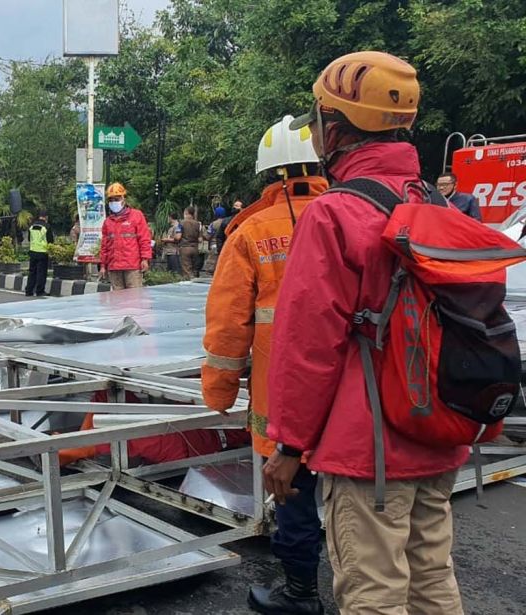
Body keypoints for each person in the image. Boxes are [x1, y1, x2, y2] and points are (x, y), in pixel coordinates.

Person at [266, 51, 466, 615]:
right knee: (432, 581)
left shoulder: (334, 214)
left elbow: (308, 349)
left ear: (334, 129)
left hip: (370, 447)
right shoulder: (436, 202)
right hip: (437, 429)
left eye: (317, 123)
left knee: (372, 593)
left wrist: (289, 447)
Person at [203, 115, 328, 615]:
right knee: (357, 498)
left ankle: (300, 592)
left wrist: (219, 391)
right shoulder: (356, 214)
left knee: (291, 491)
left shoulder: (252, 231)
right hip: (351, 391)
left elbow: (227, 324)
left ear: (271, 174)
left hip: (283, 398)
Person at [100, 182, 152, 290]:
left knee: (134, 297)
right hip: (114, 267)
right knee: (117, 298)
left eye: (116, 199)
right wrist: (103, 266)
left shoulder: (136, 216)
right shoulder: (108, 222)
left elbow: (144, 239)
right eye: (111, 200)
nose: (114, 202)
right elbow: (105, 246)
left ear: (123, 199)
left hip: (132, 267)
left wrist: (145, 259)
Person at [25, 211, 54, 297]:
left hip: (33, 251)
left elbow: (29, 239)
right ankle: (39, 291)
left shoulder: (32, 226)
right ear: (46, 217)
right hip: (42, 252)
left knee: (32, 272)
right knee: (41, 272)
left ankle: (29, 291)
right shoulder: (46, 226)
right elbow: (50, 240)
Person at [201, 206, 228, 275]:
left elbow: (208, 236)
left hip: (214, 246)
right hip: (226, 246)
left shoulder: (213, 224)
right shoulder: (228, 222)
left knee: (211, 267)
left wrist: (203, 231)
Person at [179, 206, 202, 279]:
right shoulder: (198, 224)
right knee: (194, 270)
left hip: (185, 248)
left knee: (187, 271)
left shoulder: (182, 223)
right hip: (195, 248)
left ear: (186, 212)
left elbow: (178, 237)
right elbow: (200, 239)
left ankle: (189, 283)